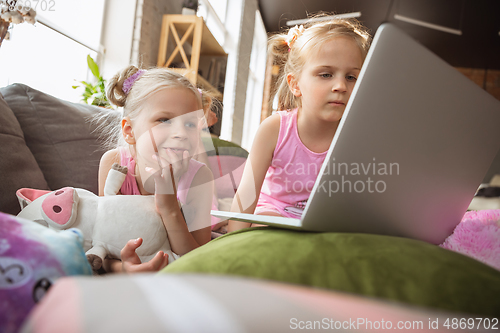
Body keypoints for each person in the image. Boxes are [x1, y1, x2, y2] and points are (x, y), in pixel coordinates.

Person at [228, 17, 371, 232]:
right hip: (275, 212)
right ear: (295, 84)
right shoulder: (274, 129)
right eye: (326, 74)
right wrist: (232, 243)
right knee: (266, 228)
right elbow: (246, 195)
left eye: (351, 77)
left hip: (325, 220)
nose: (341, 85)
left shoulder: (358, 136)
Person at [98, 66, 214, 272]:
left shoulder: (199, 177)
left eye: (190, 124)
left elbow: (199, 261)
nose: (181, 133)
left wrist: (169, 209)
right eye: (164, 120)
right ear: (129, 131)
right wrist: (122, 269)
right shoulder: (114, 164)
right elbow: (100, 238)